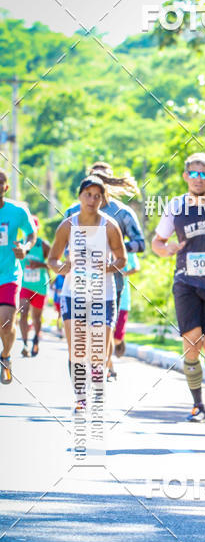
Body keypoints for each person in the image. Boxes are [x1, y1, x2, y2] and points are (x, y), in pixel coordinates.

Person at [152, 152, 205, 422]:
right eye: (193, 173)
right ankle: (198, 405)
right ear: (186, 176)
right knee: (191, 343)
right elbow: (157, 242)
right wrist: (168, 249)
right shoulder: (175, 206)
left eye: (204, 173)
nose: (199, 178)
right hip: (186, 282)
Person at [48, 176, 126, 411]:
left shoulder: (109, 226)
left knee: (100, 347)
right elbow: (52, 258)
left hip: (104, 294)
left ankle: (98, 374)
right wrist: (63, 268)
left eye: (97, 196)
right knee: (77, 348)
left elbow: (122, 258)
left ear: (102, 199)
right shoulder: (68, 226)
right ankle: (81, 397)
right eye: (88, 195)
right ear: (79, 196)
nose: (92, 199)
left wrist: (108, 267)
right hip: (75, 293)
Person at [64, 161, 145, 374]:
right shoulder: (72, 211)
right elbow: (63, 247)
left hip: (112, 282)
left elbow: (140, 243)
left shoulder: (122, 212)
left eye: (104, 179)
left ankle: (103, 366)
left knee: (103, 330)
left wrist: (113, 248)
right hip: (79, 283)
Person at [0, 168, 36, 384]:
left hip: (9, 275)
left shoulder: (17, 211)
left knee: (6, 322)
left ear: (5, 187)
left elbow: (32, 233)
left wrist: (26, 247)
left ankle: (5, 356)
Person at [19, 216, 50, 357]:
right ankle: (25, 344)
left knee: (36, 318)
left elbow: (53, 264)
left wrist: (40, 264)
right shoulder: (18, 245)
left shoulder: (43, 245)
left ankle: (36, 339)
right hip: (24, 286)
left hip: (39, 287)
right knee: (23, 312)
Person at [112, 251, 140, 361]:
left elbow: (136, 267)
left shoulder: (128, 249)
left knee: (117, 337)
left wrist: (124, 273)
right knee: (105, 333)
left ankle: (119, 340)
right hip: (106, 296)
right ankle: (108, 366)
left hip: (123, 299)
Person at [51, 272, 65, 337]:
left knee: (63, 314)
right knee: (60, 314)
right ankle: (59, 328)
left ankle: (62, 328)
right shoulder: (58, 277)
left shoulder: (67, 277)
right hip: (57, 299)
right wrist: (57, 290)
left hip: (65, 299)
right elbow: (51, 286)